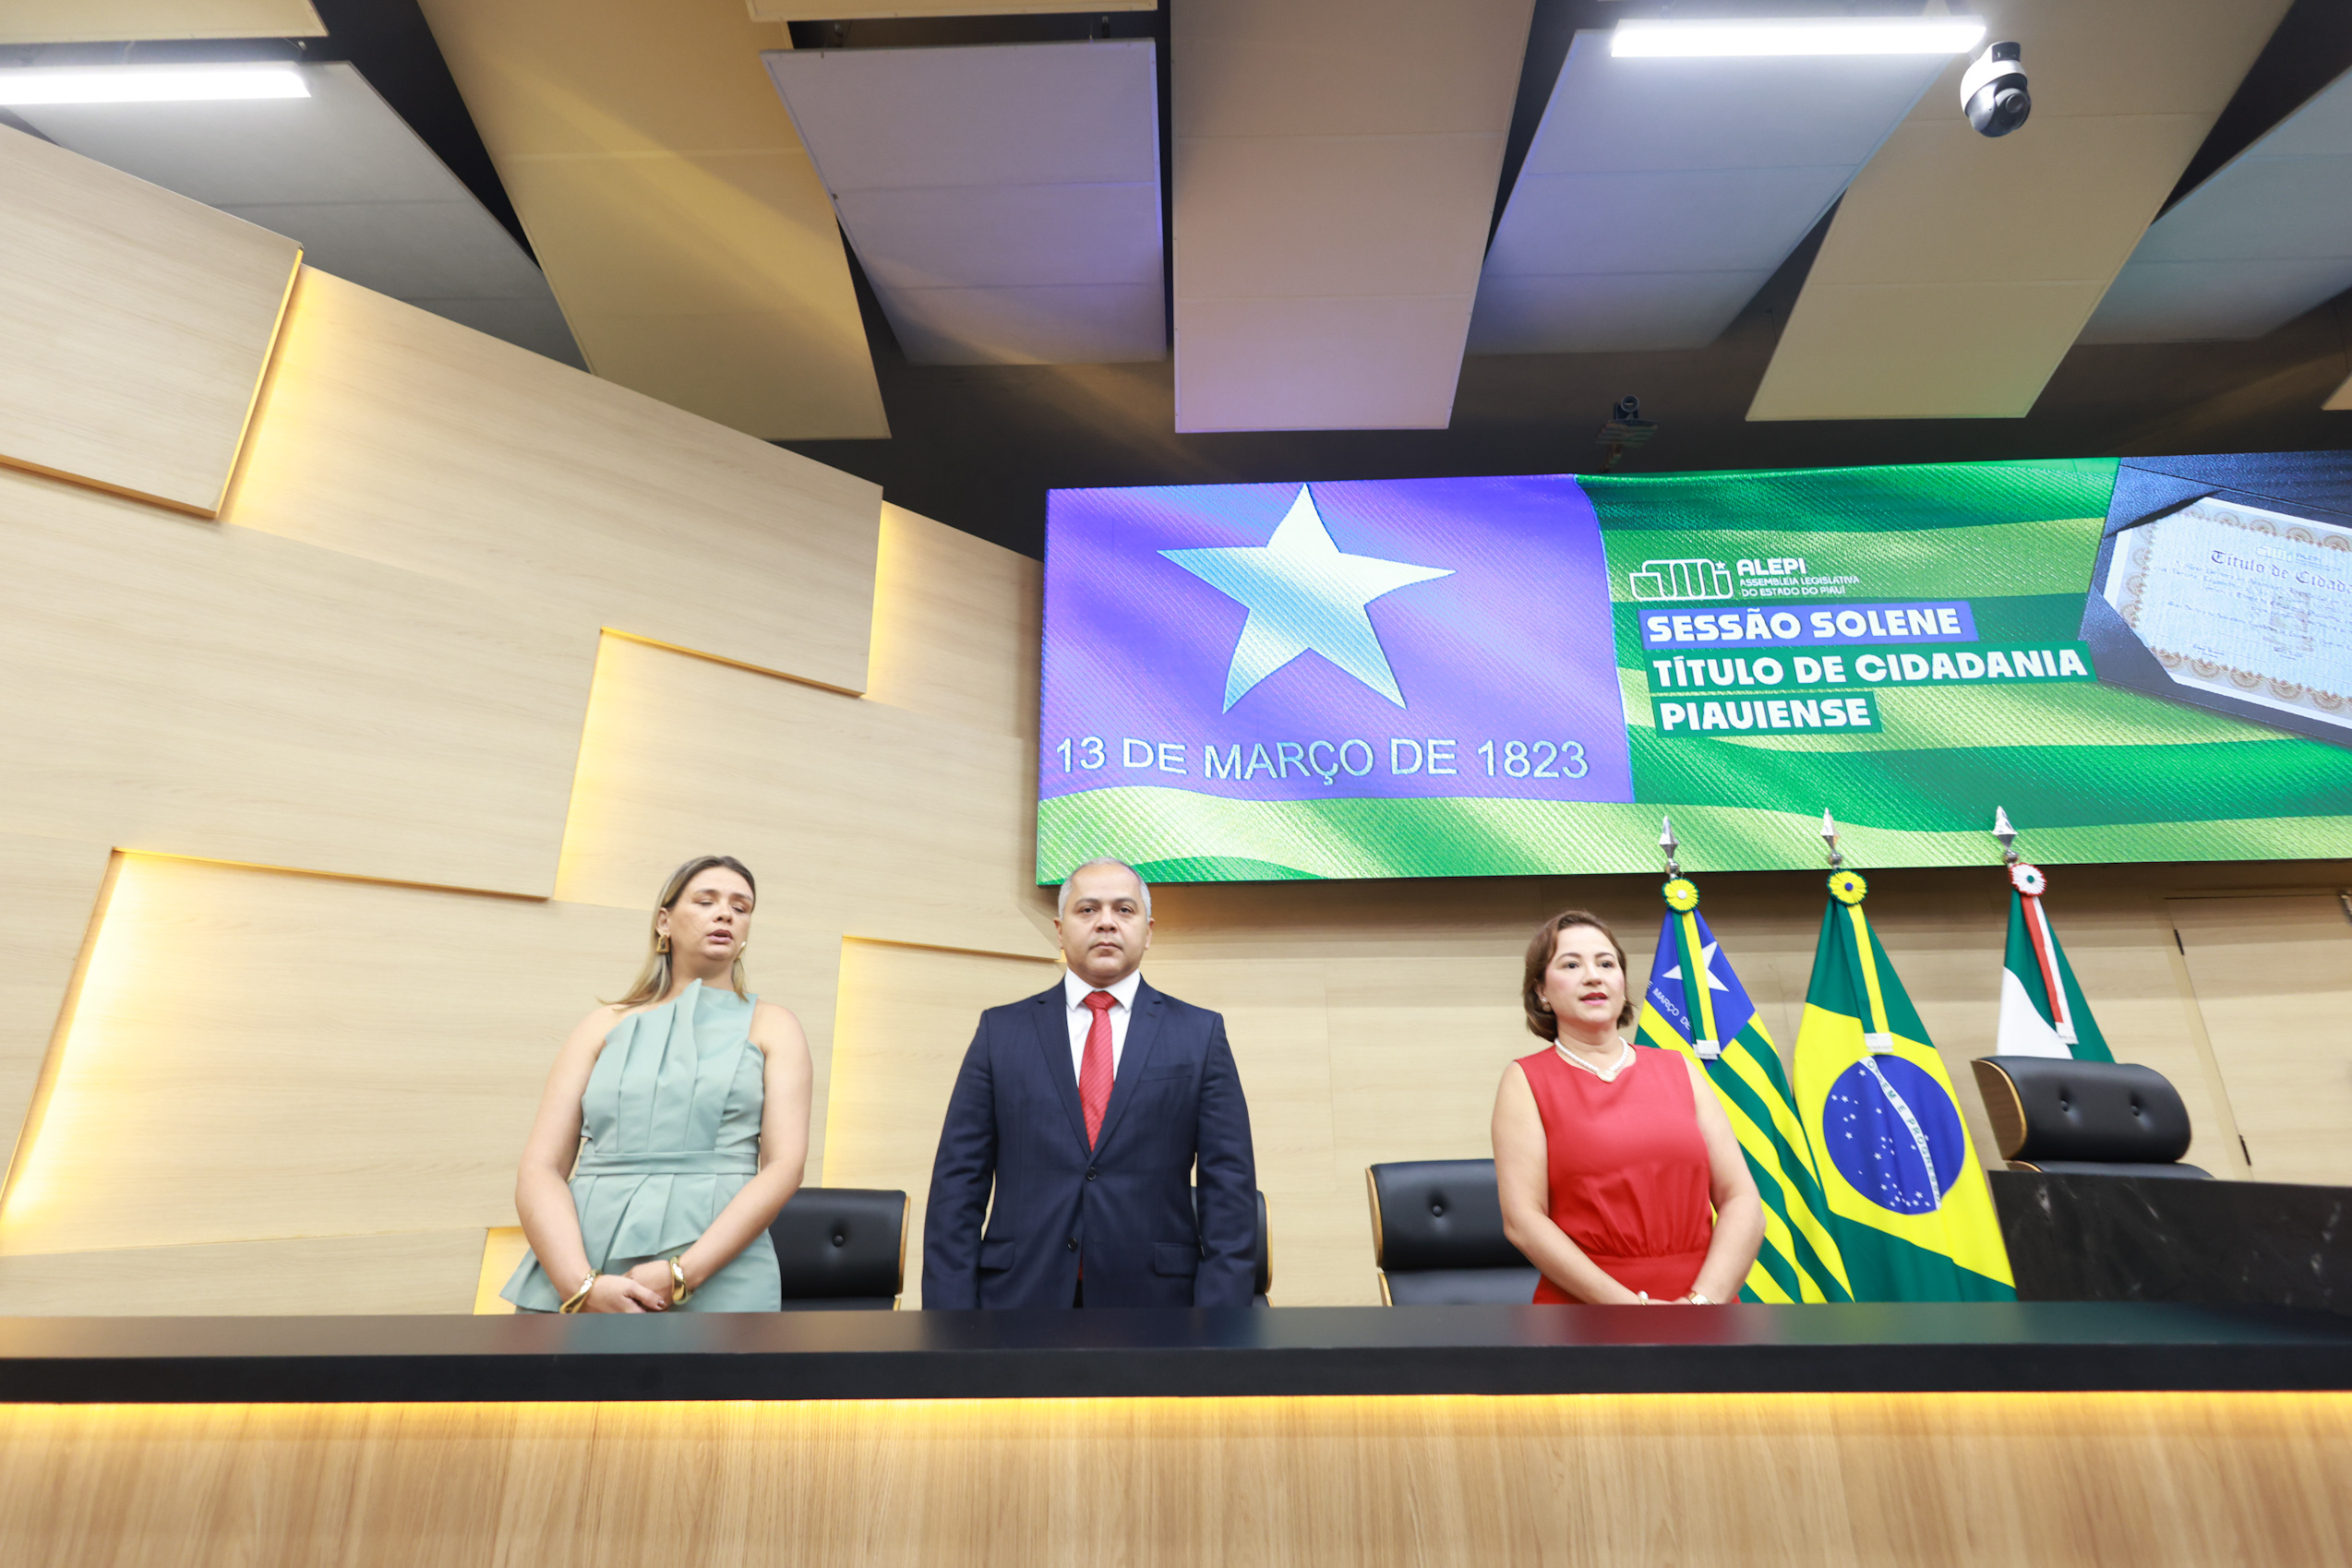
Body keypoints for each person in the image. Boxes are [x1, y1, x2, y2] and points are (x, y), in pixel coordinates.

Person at [924, 857, 1257, 1309]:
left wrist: (1218, 1327)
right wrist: (949, 1324)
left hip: (1158, 1308)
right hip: (1017, 1302)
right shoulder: (1000, 1032)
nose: (1106, 922)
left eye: (1124, 910)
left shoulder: (1199, 1034)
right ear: (1060, 931)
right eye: (1087, 910)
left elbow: (1229, 1193)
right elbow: (957, 1186)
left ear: (1148, 931)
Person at [501, 855, 811, 1312]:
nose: (725, 914)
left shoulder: (775, 1025)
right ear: (664, 921)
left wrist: (684, 1273)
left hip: (720, 1271)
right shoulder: (601, 1025)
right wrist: (580, 1286)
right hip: (583, 1261)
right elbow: (540, 1167)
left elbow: (784, 1167)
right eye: (706, 901)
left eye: (740, 907)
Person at [1491, 909, 1762, 1305]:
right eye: (1571, 965)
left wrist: (1701, 1302)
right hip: (1588, 1310)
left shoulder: (1680, 1069)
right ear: (1541, 991)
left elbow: (1742, 1199)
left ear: (1622, 981)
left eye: (1606, 963)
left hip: (1704, 1304)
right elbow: (1523, 1221)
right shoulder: (1525, 1081)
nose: (1593, 976)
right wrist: (1631, 1309)